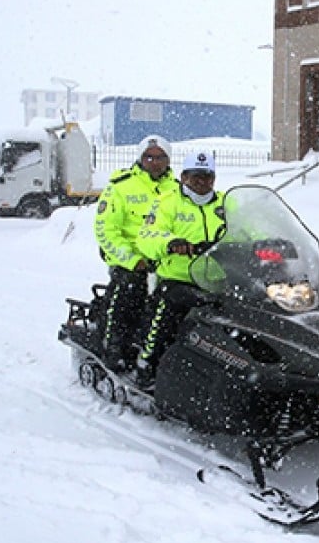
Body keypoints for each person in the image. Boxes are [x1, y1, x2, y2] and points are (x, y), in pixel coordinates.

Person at [133, 151, 226, 389]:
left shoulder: (226, 203)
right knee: (169, 308)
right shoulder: (167, 202)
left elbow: (249, 228)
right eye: (196, 177)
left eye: (208, 177)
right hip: (180, 278)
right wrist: (171, 243)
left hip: (220, 280)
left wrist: (270, 242)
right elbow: (147, 236)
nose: (202, 183)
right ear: (184, 177)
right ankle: (148, 363)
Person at [93, 135, 178, 371]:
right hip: (131, 260)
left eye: (161, 157)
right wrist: (132, 260)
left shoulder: (178, 189)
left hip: (166, 259)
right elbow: (106, 230)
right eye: (149, 156)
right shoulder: (122, 186)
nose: (155, 162)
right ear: (140, 158)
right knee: (130, 291)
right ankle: (114, 347)